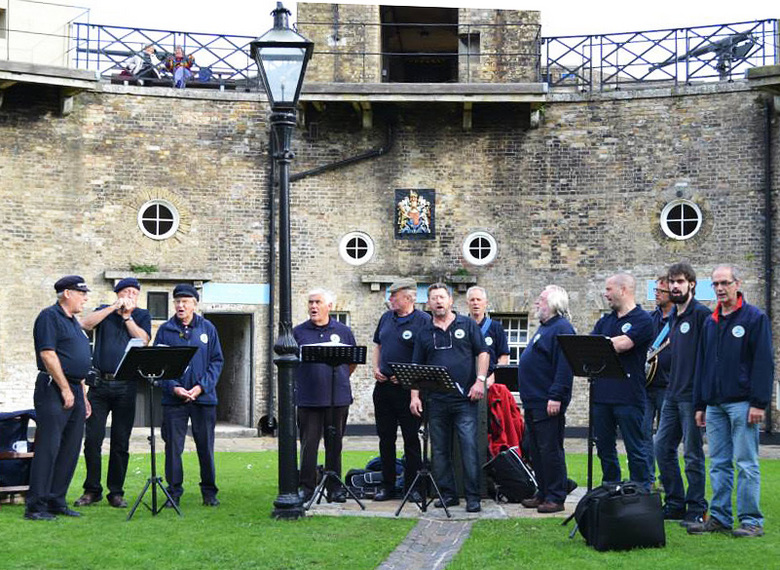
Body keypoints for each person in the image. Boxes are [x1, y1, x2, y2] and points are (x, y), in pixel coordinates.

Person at [688, 265, 773, 538]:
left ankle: (751, 521)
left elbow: (763, 363)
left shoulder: (754, 318)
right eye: (715, 284)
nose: (720, 288)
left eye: (725, 282)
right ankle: (720, 517)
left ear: (737, 283)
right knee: (719, 463)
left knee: (746, 463)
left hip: (743, 404)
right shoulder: (710, 321)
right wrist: (700, 404)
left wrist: (759, 402)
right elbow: (701, 364)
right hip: (714, 405)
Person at [410, 283, 489, 513]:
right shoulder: (424, 332)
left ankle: (473, 497)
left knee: (468, 447)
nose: (438, 301)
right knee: (440, 451)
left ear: (451, 301)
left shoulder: (467, 324)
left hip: (465, 399)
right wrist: (414, 396)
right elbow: (416, 366)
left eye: (442, 297)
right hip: (435, 400)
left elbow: (483, 353)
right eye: (433, 298)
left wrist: (480, 380)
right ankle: (448, 494)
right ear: (429, 303)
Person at [74, 277, 152, 508]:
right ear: (117, 294)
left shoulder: (142, 315)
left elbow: (144, 340)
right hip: (99, 385)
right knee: (93, 440)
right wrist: (113, 308)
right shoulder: (104, 311)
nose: (130, 296)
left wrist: (127, 317)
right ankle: (92, 489)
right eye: (125, 292)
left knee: (120, 442)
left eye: (134, 293)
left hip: (126, 385)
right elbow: (85, 324)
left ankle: (115, 491)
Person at [25, 276, 93, 520]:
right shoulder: (49, 317)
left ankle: (56, 500)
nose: (85, 298)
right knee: (49, 447)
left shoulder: (73, 322)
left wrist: (82, 394)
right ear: (67, 293)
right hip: (54, 387)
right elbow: (48, 354)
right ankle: (36, 505)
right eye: (81, 293)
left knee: (70, 448)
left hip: (74, 387)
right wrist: (64, 388)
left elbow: (78, 359)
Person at [154, 284, 223, 507]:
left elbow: (216, 361)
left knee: (205, 446)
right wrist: (173, 387)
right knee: (173, 447)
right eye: (177, 301)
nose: (180, 305)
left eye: (185, 301)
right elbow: (158, 364)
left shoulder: (208, 328)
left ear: (195, 303)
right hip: (174, 399)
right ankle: (174, 492)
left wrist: (201, 387)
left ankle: (209, 492)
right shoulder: (165, 330)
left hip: (203, 399)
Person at [654, 262, 710, 525]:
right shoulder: (673, 317)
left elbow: (710, 359)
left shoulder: (701, 315)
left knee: (692, 454)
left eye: (680, 282)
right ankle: (675, 502)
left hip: (692, 397)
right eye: (671, 282)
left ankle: (697, 507)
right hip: (671, 395)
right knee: (661, 448)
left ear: (692, 285)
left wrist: (704, 401)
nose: (674, 286)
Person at [293, 288, 357, 502]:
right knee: (308, 445)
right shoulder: (298, 332)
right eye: (310, 302)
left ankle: (335, 488)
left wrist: (336, 379)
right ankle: (306, 487)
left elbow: (352, 361)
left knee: (335, 444)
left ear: (329, 306)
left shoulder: (343, 331)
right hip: (308, 398)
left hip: (337, 398)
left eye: (318, 302)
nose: (313, 306)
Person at [591, 273, 653, 487]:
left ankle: (641, 492)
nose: (605, 294)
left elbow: (624, 344)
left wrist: (603, 344)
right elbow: (590, 347)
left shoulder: (643, 320)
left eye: (609, 289)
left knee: (635, 448)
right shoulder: (605, 321)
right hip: (601, 396)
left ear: (623, 290)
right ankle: (610, 488)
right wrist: (604, 344)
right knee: (604, 449)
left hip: (628, 396)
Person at [517, 285, 576, 513]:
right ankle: (542, 492)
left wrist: (556, 396)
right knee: (534, 449)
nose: (537, 303)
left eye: (541, 300)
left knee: (550, 449)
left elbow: (564, 367)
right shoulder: (545, 328)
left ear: (553, 303)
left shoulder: (561, 328)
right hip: (533, 401)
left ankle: (556, 496)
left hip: (547, 401)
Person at [371, 279, 429, 501]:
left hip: (408, 390)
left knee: (411, 439)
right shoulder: (386, 318)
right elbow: (379, 345)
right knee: (385, 438)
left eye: (394, 295)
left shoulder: (423, 320)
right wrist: (376, 367)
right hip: (384, 388)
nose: (390, 299)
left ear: (409, 297)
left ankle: (413, 486)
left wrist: (408, 378)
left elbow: (425, 356)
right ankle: (387, 485)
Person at [643, 276, 673, 486]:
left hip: (669, 387)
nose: (656, 293)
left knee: (665, 439)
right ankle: (648, 479)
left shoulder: (678, 322)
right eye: (655, 290)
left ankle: (665, 479)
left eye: (660, 290)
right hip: (646, 386)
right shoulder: (649, 319)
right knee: (643, 434)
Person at [466, 286, 509, 385]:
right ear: (467, 303)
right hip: (466, 382)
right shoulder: (461, 326)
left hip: (490, 382)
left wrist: (493, 378)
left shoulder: (496, 327)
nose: (475, 303)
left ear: (485, 303)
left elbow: (503, 357)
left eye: (479, 300)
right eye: (472, 300)